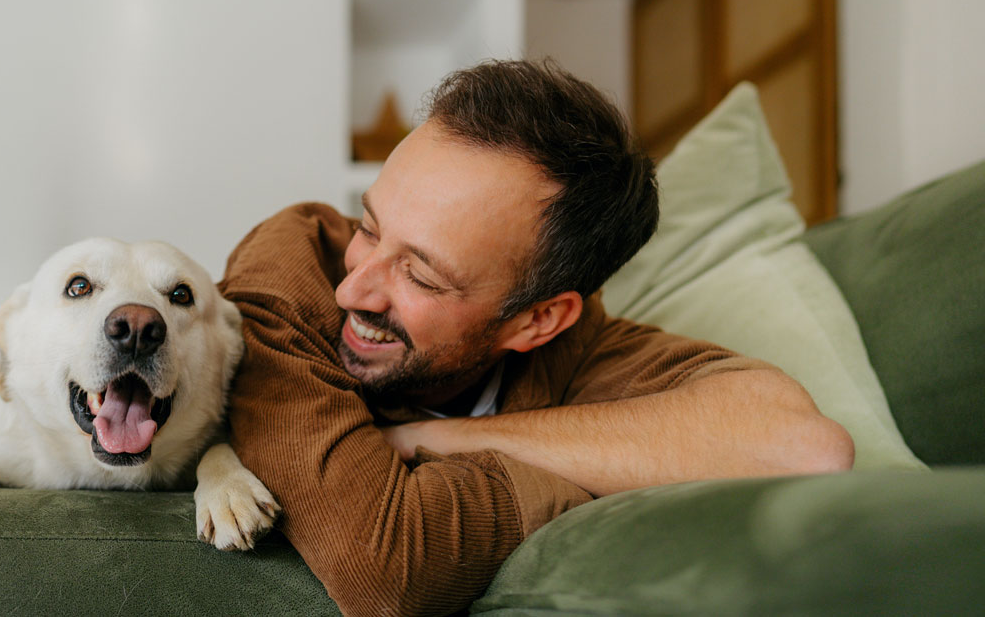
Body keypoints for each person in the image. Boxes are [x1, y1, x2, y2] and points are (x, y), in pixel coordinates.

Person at [219, 60, 854, 616]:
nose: (353, 290)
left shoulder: (580, 349)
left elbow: (805, 448)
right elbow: (385, 568)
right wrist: (572, 482)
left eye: (422, 275)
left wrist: (439, 439)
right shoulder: (291, 266)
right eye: (369, 227)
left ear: (538, 321)